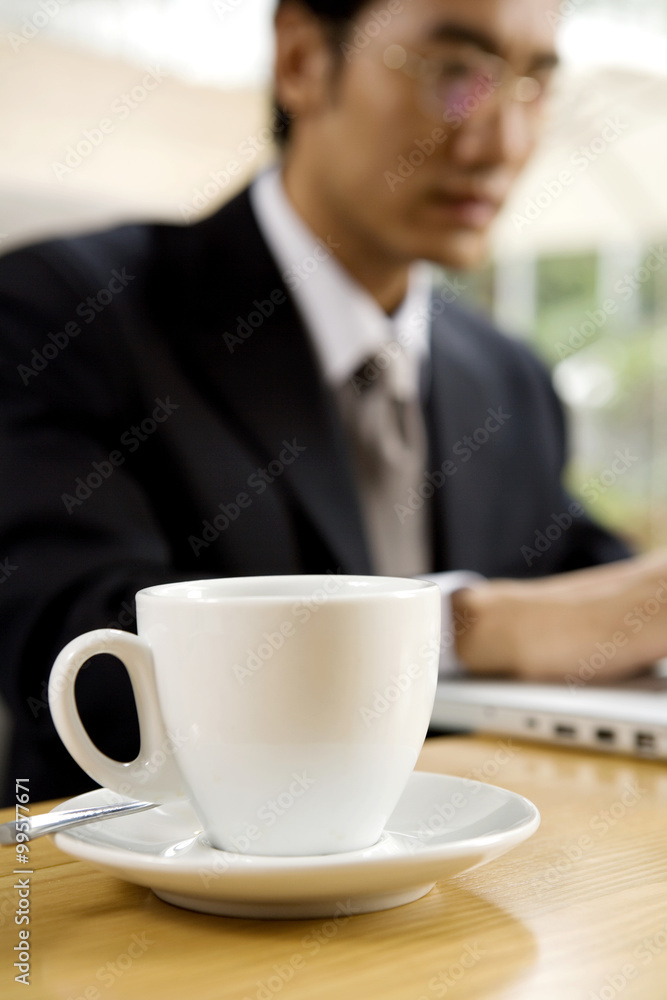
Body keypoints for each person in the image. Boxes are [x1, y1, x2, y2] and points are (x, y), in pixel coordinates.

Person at [1, 0, 666, 803]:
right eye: (455, 72)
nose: (504, 143)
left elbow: (595, 590)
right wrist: (465, 629)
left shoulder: (507, 379)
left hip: (465, 895)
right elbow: (69, 649)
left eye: (532, 86)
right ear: (303, 61)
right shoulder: (61, 315)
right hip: (147, 893)